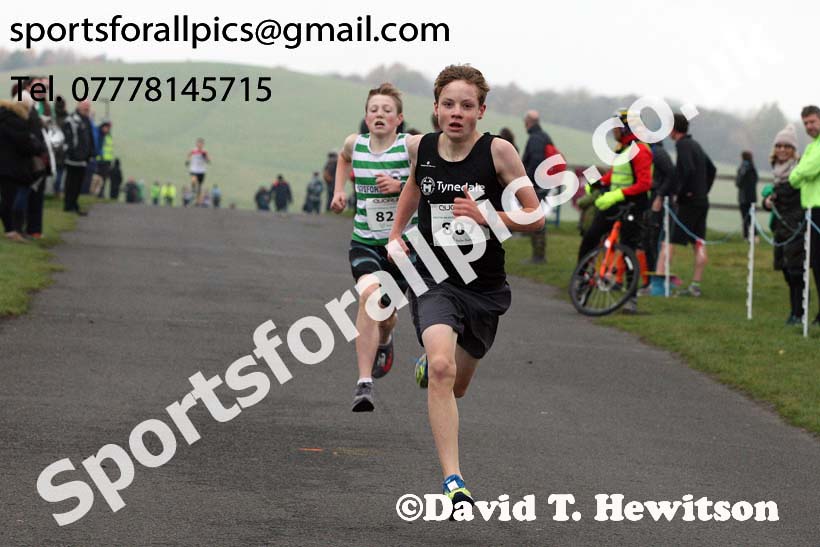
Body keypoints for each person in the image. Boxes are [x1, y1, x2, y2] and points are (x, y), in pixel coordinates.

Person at [387, 65, 544, 509]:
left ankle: (433, 366)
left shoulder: (499, 153)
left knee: (456, 385)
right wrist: (396, 234)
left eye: (467, 106)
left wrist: (489, 217)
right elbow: (414, 188)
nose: (456, 113)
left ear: (481, 111)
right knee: (442, 368)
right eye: (449, 105)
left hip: (484, 288)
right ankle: (454, 481)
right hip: (433, 277)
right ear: (435, 108)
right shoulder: (422, 146)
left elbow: (536, 216)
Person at [330, 83, 414, 412]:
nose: (380, 114)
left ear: (399, 119)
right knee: (368, 297)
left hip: (402, 248)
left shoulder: (410, 148)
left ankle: (387, 338)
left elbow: (429, 176)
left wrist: (401, 186)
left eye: (387, 110)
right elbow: (342, 157)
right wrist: (339, 192)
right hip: (364, 242)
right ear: (366, 117)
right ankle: (364, 383)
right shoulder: (356, 143)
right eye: (374, 110)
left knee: (387, 315)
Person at [575, 109, 652, 312]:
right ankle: (582, 280)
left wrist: (618, 194)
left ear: (627, 128)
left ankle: (630, 298)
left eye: (616, 127)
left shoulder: (641, 150)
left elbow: (645, 183)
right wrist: (599, 183)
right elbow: (615, 173)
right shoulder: (623, 148)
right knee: (590, 237)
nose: (613, 131)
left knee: (628, 247)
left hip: (633, 204)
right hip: (614, 202)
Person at [653, 113, 716, 297]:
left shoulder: (682, 145)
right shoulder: (695, 144)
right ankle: (695, 286)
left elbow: (686, 169)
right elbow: (712, 169)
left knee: (669, 242)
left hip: (688, 203)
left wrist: (681, 192)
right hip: (702, 201)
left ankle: (658, 286)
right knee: (698, 243)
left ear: (673, 129)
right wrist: (703, 190)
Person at [762, 124, 804, 324]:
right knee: (786, 272)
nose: (782, 149)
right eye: (779, 145)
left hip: (796, 227)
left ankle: (798, 313)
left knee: (796, 271)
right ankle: (794, 311)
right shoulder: (776, 170)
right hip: (780, 227)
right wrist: (767, 201)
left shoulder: (799, 169)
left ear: (793, 149)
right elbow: (773, 200)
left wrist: (777, 195)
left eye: (787, 146)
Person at [788, 105, 820, 325]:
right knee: (815, 264)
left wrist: (798, 173)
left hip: (818, 210)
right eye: (806, 123)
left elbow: (803, 172)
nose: (809, 126)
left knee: (818, 264)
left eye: (812, 121)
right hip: (810, 210)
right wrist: (799, 173)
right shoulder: (812, 146)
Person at [0, 93, 44, 242]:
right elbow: (26, 145)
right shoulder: (17, 122)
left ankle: (11, 230)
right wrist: (37, 146)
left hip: (4, 164)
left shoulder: (4, 117)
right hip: (11, 167)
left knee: (7, 199)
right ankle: (12, 230)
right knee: (10, 201)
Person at [521, 110, 556, 264]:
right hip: (544, 183)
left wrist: (527, 182)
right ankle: (538, 255)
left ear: (528, 122)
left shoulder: (535, 139)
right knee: (536, 218)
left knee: (536, 219)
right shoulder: (544, 136)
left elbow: (535, 161)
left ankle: (539, 256)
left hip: (537, 185)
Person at [645, 139, 675, 271]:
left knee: (653, 237)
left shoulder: (658, 153)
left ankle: (656, 272)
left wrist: (660, 195)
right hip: (655, 196)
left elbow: (671, 174)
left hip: (660, 201)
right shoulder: (654, 151)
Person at [62, 100, 94, 215]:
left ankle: (74, 204)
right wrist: (73, 153)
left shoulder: (86, 120)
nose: (87, 108)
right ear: (79, 106)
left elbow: (89, 138)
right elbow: (68, 138)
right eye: (85, 106)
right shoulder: (72, 120)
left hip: (83, 158)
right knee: (71, 182)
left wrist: (90, 153)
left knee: (79, 183)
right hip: (73, 158)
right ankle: (68, 205)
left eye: (88, 106)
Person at [736, 150, 758, 241]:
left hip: (744, 197)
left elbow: (738, 182)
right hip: (752, 197)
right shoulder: (753, 168)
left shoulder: (743, 168)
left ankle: (746, 236)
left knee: (745, 217)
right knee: (751, 217)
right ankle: (754, 235)